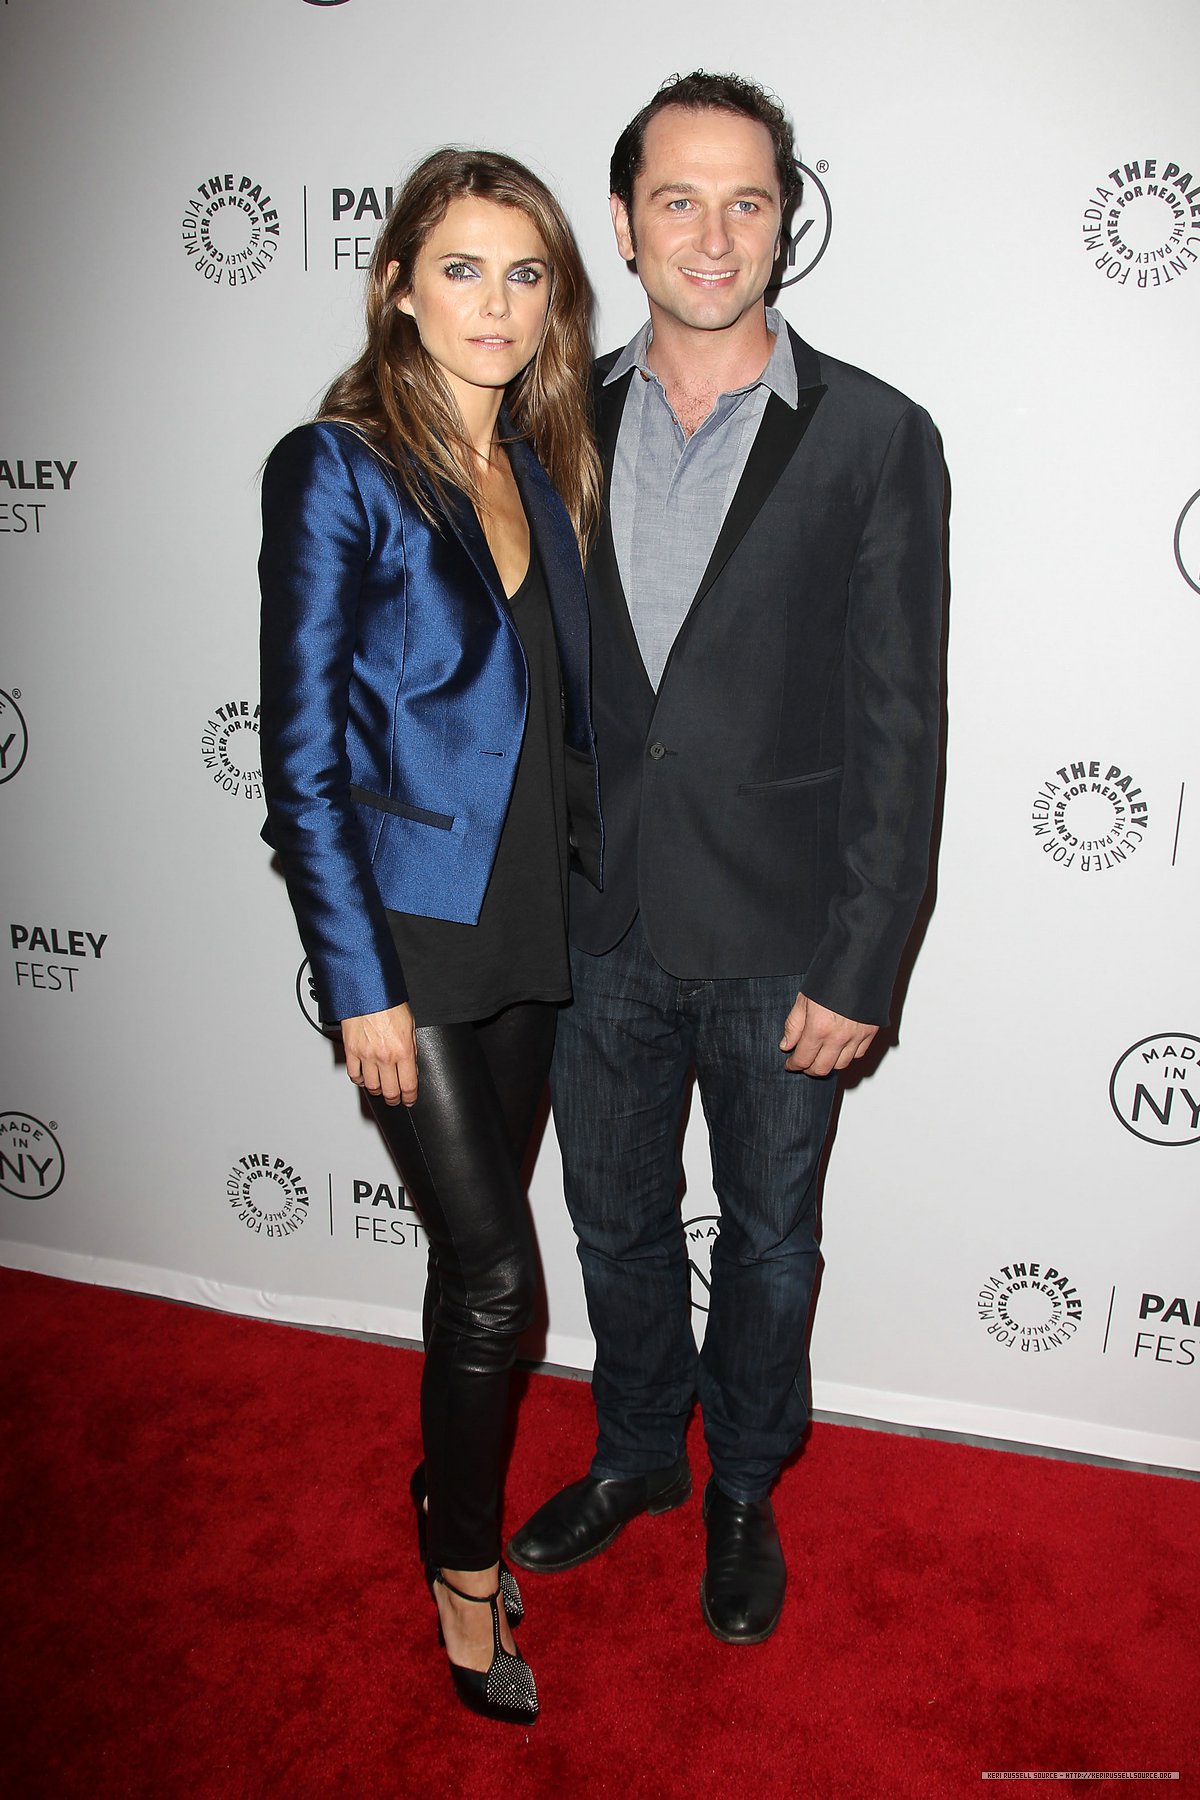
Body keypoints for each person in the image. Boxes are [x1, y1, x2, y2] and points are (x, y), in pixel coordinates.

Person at [507, 73, 945, 1645]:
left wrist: (863, 959)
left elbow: (903, 722)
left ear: (787, 221)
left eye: (747, 199)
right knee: (616, 1223)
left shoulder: (879, 437)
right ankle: (639, 1454)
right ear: (620, 224)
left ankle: (747, 1479)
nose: (715, 232)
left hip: (785, 939)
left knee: (767, 1238)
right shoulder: (544, 422)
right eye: (678, 198)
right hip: (596, 926)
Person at [258, 148, 602, 1722]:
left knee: (472, 1270)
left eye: (524, 273)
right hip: (410, 941)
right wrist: (358, 982)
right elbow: (302, 751)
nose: (497, 303)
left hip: (530, 921)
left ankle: (440, 1498)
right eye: (462, 268)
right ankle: (461, 1562)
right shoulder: (334, 467)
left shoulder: (542, 463)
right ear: (396, 281)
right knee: (493, 1284)